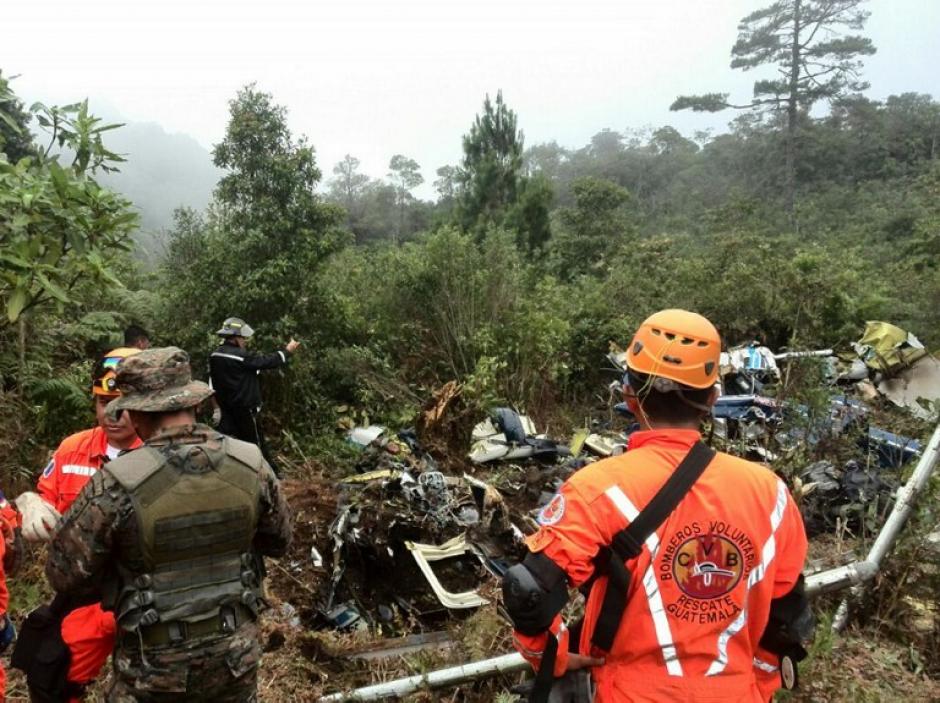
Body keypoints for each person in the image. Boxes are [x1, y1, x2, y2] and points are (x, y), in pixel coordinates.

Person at [502, 310, 812, 702]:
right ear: (712, 398)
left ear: (629, 395)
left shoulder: (597, 489)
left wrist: (553, 656)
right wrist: (756, 684)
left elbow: (527, 590)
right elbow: (787, 612)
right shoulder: (770, 494)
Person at [46, 346, 292, 702]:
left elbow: (65, 573)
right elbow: (279, 542)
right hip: (235, 658)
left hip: (154, 670)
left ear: (136, 414)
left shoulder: (118, 482)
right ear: (193, 404)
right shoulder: (250, 463)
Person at [14, 347, 142, 700]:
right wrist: (30, 503)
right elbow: (47, 500)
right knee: (46, 668)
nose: (113, 414)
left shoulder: (161, 452)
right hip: (85, 591)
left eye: (124, 404)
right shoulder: (73, 449)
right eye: (104, 402)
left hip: (142, 594)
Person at [209, 317, 300, 475]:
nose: (244, 341)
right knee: (255, 445)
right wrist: (287, 351)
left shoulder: (215, 355)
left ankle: (235, 474)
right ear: (235, 337)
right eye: (243, 338)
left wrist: (216, 407)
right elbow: (266, 361)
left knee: (231, 444)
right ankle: (268, 476)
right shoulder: (241, 356)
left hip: (226, 409)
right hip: (244, 410)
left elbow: (211, 382)